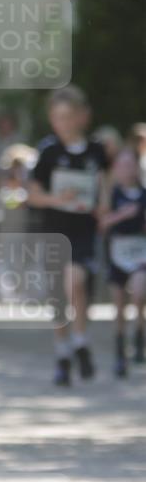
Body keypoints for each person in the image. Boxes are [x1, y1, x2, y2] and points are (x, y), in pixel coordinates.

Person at [28, 87, 109, 386]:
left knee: (76, 283)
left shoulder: (96, 151)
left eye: (67, 117)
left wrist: (104, 205)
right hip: (53, 231)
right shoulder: (49, 152)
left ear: (80, 118)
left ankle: (81, 340)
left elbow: (105, 183)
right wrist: (56, 199)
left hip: (83, 230)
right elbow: (33, 195)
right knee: (59, 296)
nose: (62, 123)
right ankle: (63, 353)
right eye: (57, 117)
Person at [98, 148, 146, 377]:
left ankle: (139, 337)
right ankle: (120, 353)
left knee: (138, 292)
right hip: (117, 252)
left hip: (140, 252)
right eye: (122, 165)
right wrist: (123, 215)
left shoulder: (144, 194)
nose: (126, 170)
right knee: (119, 306)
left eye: (130, 165)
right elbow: (102, 224)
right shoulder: (112, 193)